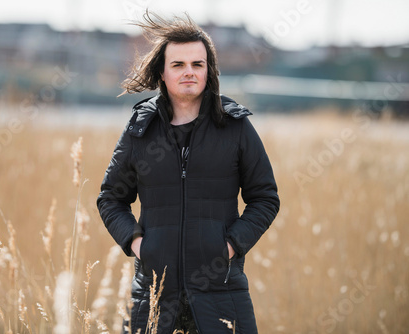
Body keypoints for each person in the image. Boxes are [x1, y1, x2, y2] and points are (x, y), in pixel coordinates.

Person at [97, 11, 280, 334]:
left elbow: (265, 198)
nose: (189, 73)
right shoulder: (141, 129)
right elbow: (111, 198)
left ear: (209, 71)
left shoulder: (235, 127)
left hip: (222, 293)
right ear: (163, 73)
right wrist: (139, 245)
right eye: (178, 65)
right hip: (153, 295)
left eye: (198, 64)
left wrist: (230, 246)